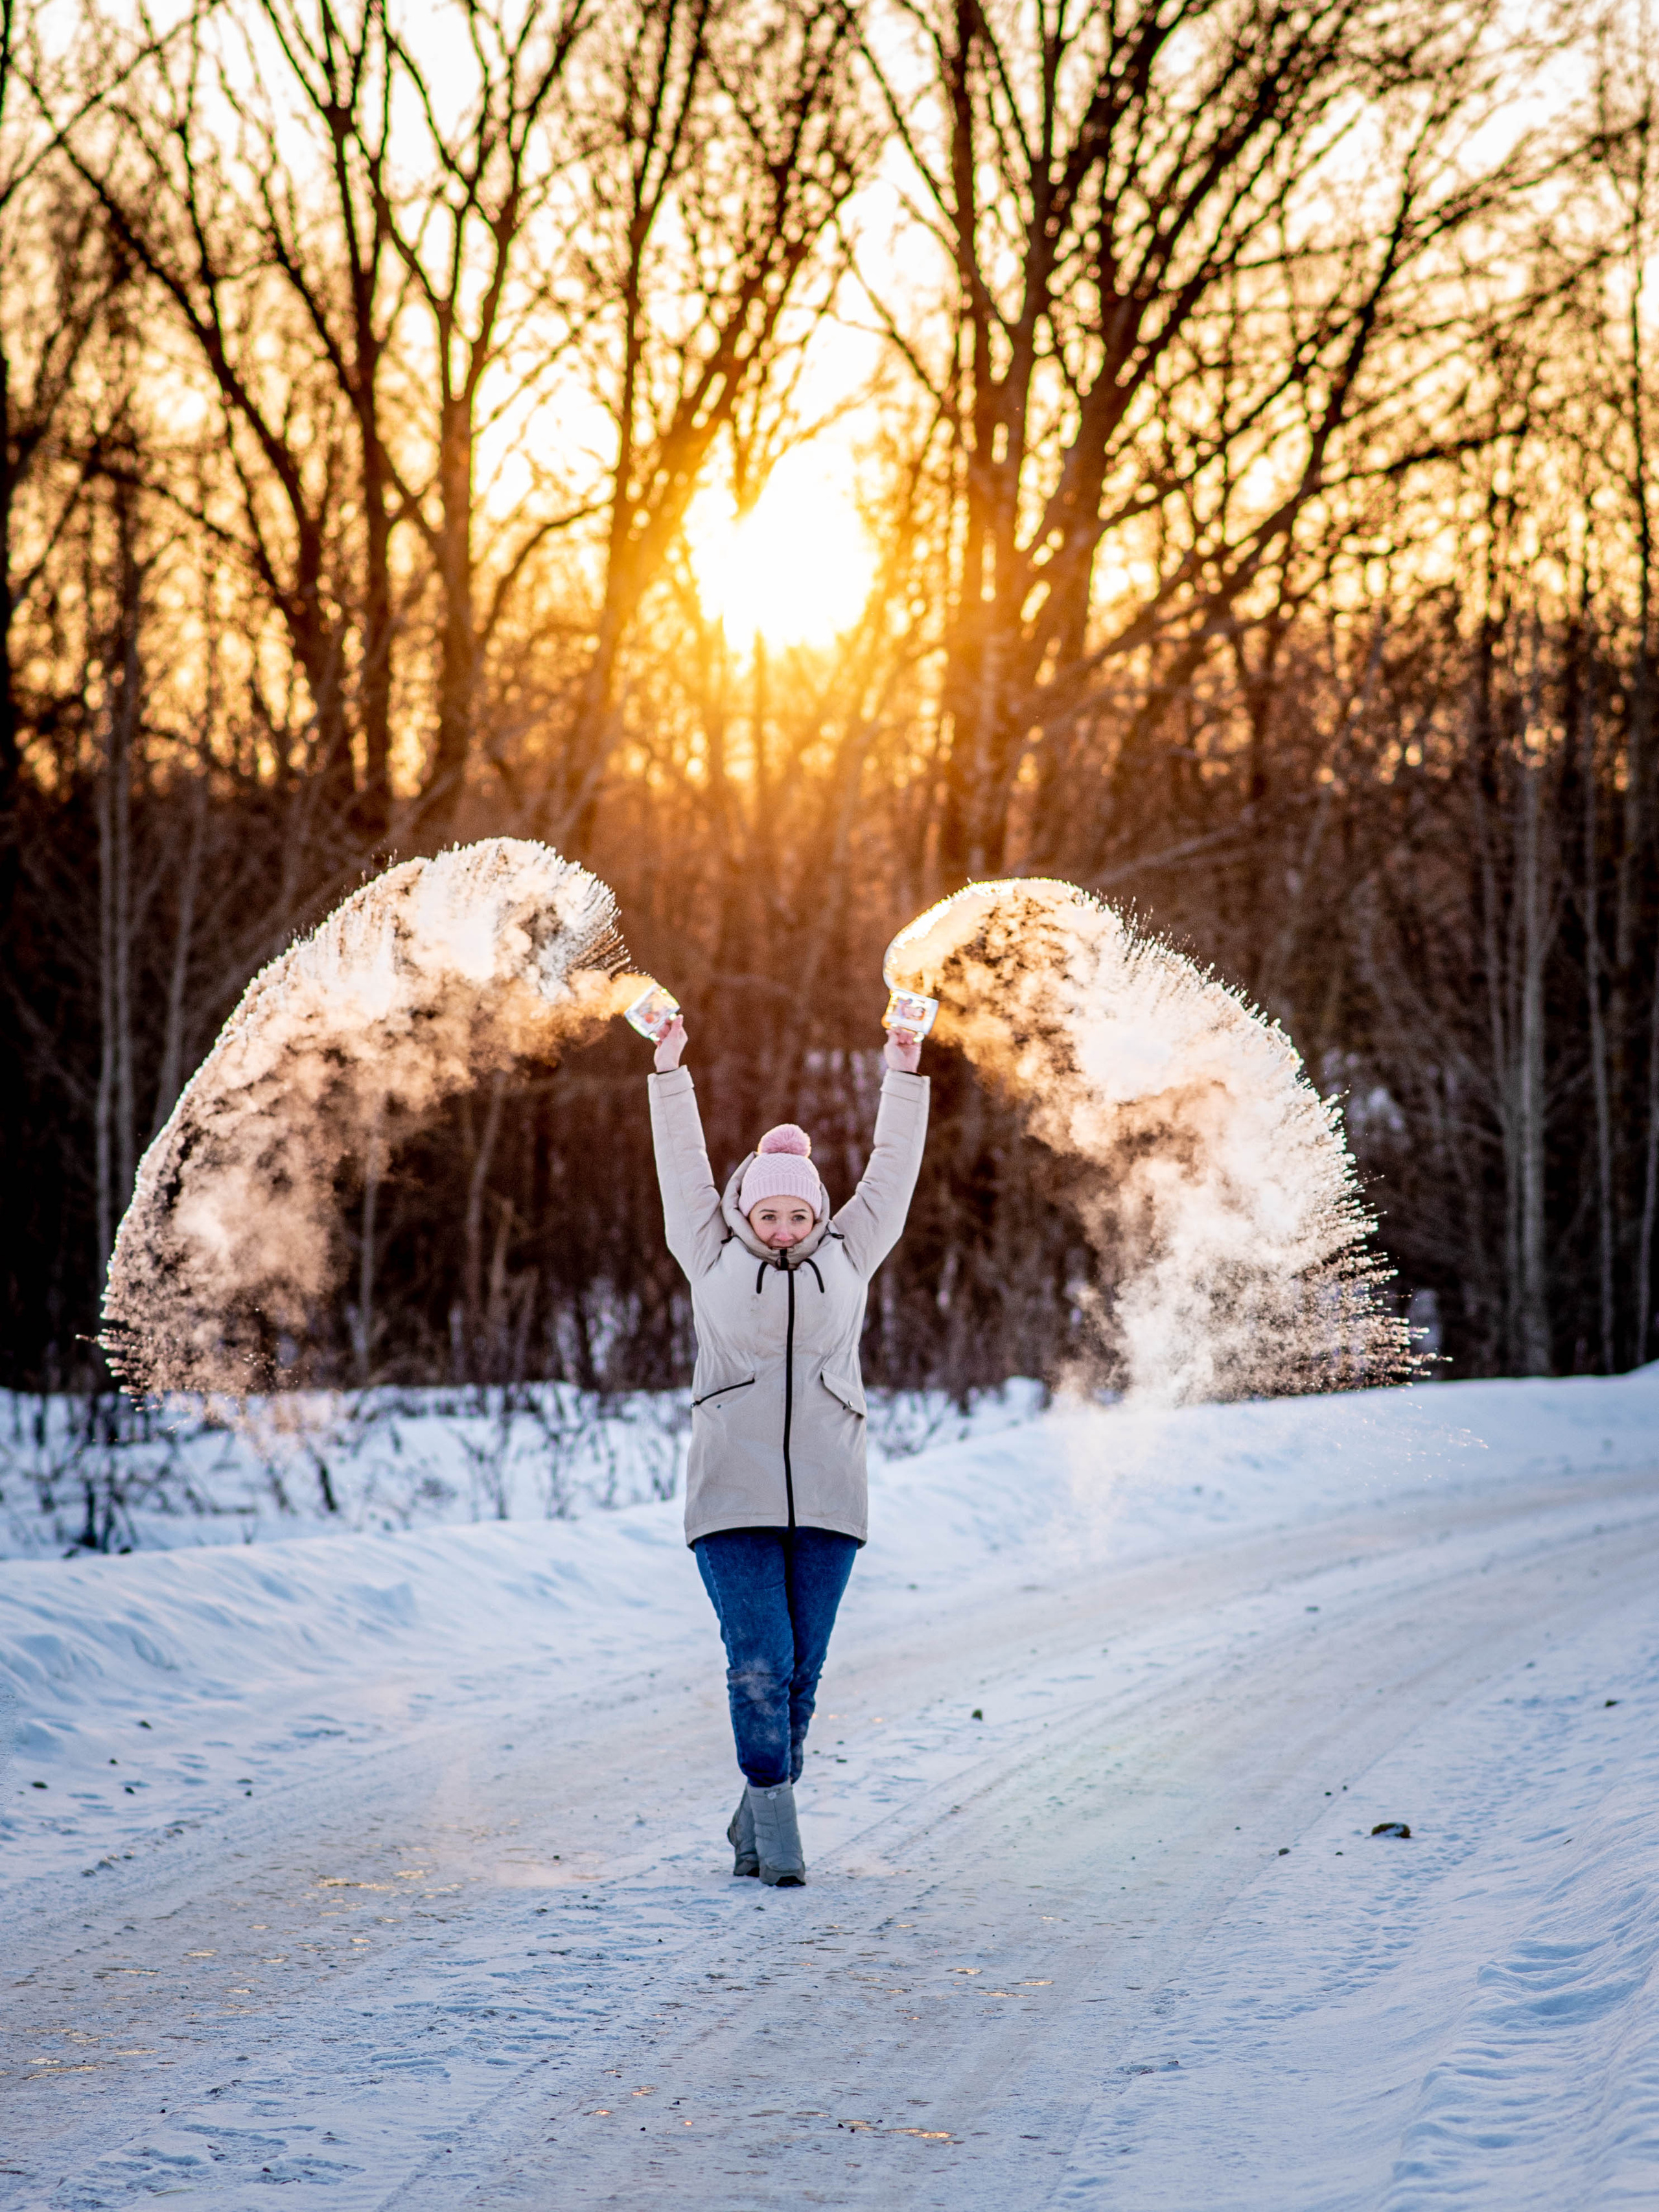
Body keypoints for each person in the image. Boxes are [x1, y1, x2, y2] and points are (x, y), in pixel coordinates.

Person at [646, 1008, 929, 1886]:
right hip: (732, 1498)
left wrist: (903, 1067)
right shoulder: (707, 1251)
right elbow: (683, 1166)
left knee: (802, 1674)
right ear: (742, 1209)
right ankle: (781, 1839)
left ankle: (758, 1812)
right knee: (760, 1662)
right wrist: (668, 1072)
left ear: (816, 1213)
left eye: (794, 1211)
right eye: (764, 1211)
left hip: (832, 1499)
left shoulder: (850, 1254)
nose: (779, 1226)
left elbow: (893, 1169)